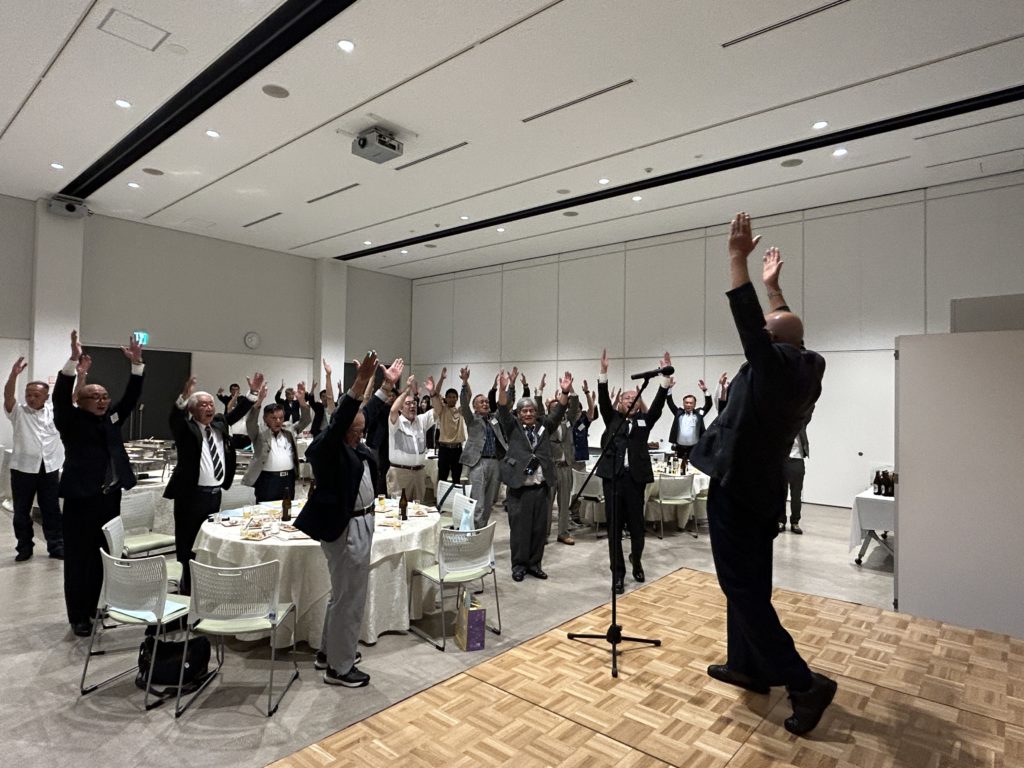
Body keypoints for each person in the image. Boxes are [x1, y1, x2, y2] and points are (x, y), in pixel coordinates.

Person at [690, 215, 834, 736]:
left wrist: (738, 261)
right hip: (762, 490)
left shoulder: (772, 367)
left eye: (768, 332)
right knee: (750, 584)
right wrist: (775, 289)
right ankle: (747, 665)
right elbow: (783, 327)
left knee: (742, 588)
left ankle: (803, 682)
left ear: (771, 343)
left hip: (738, 489)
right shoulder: (805, 368)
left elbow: (753, 324)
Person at [294, 351, 380, 688]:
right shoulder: (326, 447)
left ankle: (329, 653)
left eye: (362, 430)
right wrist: (359, 383)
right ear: (341, 429)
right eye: (355, 431)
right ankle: (340, 669)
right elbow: (344, 415)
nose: (360, 435)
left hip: (361, 523)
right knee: (350, 599)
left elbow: (366, 412)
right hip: (347, 528)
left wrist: (382, 386)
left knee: (341, 595)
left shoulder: (353, 445)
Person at [53, 330, 144, 637]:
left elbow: (130, 398)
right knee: (79, 559)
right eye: (96, 397)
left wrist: (136, 365)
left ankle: (94, 607)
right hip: (81, 499)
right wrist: (73, 363)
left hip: (109, 497)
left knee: (103, 556)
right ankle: (78, 615)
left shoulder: (111, 419)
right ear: (80, 400)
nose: (103, 401)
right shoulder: (70, 420)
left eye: (105, 396)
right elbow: (59, 398)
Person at [165, 373, 261, 595]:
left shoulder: (218, 424)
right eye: (203, 404)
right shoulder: (186, 430)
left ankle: (206, 587)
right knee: (189, 545)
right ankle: (188, 592)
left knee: (208, 543)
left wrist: (253, 393)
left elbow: (236, 413)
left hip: (214, 496)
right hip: (191, 497)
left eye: (210, 404)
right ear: (192, 409)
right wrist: (183, 397)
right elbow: (175, 418)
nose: (209, 408)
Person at [595, 349, 671, 594]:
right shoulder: (612, 419)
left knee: (637, 529)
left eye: (634, 397)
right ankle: (617, 574)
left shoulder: (643, 422)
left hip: (635, 481)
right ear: (620, 402)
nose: (630, 400)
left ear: (639, 403)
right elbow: (603, 399)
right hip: (613, 480)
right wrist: (603, 373)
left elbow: (657, 407)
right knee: (614, 530)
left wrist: (665, 380)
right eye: (626, 397)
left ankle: (636, 560)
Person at [496, 368, 571, 582]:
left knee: (539, 530)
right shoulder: (512, 427)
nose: (528, 414)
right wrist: (503, 389)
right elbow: (502, 409)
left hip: (541, 487)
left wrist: (565, 393)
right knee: (520, 530)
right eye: (524, 411)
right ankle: (519, 565)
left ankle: (534, 564)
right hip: (519, 488)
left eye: (531, 410)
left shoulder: (544, 426)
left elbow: (558, 412)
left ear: (536, 412)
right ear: (519, 414)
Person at [5, 356, 64, 561]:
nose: (31, 398)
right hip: (23, 469)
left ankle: (56, 546)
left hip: (49, 468)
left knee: (51, 509)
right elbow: (8, 396)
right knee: (22, 511)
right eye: (28, 394)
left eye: (36, 395)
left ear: (46, 397)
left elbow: (74, 397)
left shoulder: (54, 412)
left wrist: (81, 375)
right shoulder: (18, 412)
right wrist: (13, 375)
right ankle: (24, 547)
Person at [243, 382, 311, 502]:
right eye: (273, 418)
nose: (278, 421)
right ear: (265, 419)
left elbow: (305, 420)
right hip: (267, 480)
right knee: (265, 510)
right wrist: (259, 400)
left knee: (287, 508)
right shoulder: (259, 433)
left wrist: (302, 401)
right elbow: (250, 422)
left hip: (288, 479)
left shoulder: (289, 430)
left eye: (281, 418)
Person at [458, 367, 506, 528]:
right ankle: (475, 532)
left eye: (486, 402)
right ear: (475, 407)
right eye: (481, 402)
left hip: (495, 462)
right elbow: (463, 403)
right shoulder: (471, 419)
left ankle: (482, 529)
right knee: (477, 501)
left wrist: (508, 387)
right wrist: (464, 382)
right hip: (478, 463)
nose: (485, 403)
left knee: (489, 502)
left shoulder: (494, 419)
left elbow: (506, 405)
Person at [533, 373, 578, 545]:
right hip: (550, 468)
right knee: (547, 503)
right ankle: (544, 534)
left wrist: (570, 389)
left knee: (564, 503)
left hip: (566, 467)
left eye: (559, 407)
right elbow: (538, 408)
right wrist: (540, 390)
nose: (556, 410)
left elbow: (574, 406)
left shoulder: (568, 421)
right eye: (553, 408)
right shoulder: (544, 423)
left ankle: (563, 533)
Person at [386, 374, 435, 500]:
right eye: (408, 404)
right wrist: (407, 389)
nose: (412, 406)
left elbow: (438, 411)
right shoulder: (396, 422)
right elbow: (393, 410)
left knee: (419, 508)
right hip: (400, 474)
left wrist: (433, 393)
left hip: (419, 473)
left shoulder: (421, 420)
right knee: (399, 508)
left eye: (414, 403)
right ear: (401, 408)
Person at [430, 368, 465, 484]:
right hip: (444, 449)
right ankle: (441, 497)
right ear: (445, 398)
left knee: (457, 478)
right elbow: (435, 395)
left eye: (454, 397)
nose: (452, 399)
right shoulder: (441, 410)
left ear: (457, 398)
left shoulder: (461, 411)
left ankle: (456, 497)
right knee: (442, 478)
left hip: (457, 449)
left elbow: (468, 396)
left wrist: (465, 381)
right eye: (449, 397)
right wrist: (442, 378)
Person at [667, 380, 713, 462]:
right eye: (686, 403)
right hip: (679, 448)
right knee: (680, 466)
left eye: (691, 403)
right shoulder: (678, 413)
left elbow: (709, 404)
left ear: (694, 404)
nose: (688, 405)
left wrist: (705, 390)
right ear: (683, 404)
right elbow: (670, 402)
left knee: (694, 466)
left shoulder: (699, 413)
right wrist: (669, 388)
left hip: (694, 448)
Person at [779, 426, 810, 534]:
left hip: (797, 460)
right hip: (782, 460)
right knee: (781, 493)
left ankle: (795, 522)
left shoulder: (801, 425)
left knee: (796, 494)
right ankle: (780, 521)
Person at [306, 359, 335, 437]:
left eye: (326, 396)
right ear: (321, 398)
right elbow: (311, 402)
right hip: (319, 431)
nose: (325, 398)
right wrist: (312, 389)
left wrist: (340, 390)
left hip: (330, 432)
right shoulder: (318, 406)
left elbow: (338, 399)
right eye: (323, 397)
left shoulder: (333, 406)